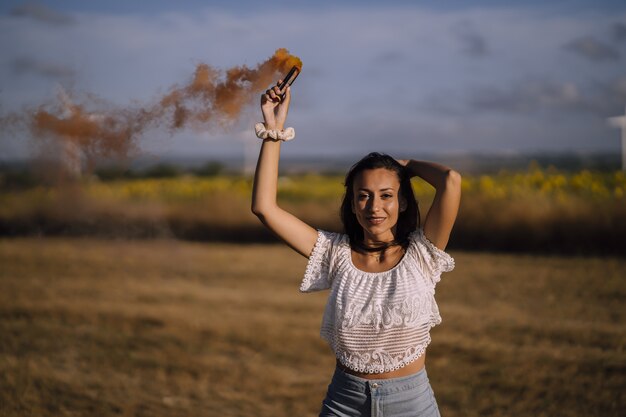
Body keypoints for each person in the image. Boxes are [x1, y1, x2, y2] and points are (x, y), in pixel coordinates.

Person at [251, 80, 461, 417]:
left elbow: (450, 181)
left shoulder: (424, 253)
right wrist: (273, 130)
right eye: (363, 195)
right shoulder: (334, 253)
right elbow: (264, 208)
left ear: (402, 202)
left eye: (386, 195)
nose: (374, 206)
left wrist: (405, 166)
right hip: (343, 403)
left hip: (410, 404)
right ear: (352, 204)